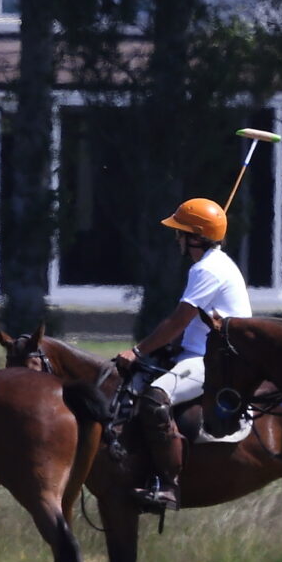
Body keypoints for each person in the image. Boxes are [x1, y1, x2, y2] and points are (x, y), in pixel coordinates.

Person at [111, 198, 253, 509]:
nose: (177, 239)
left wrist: (138, 351)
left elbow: (178, 320)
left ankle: (168, 485)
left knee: (154, 399)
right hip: (198, 352)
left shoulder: (207, 269)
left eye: (181, 232)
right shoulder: (212, 264)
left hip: (216, 360)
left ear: (196, 236)